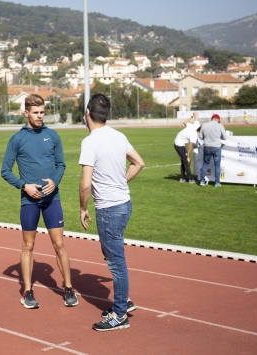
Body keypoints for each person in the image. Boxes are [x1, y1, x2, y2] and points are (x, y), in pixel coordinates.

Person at [1, 94, 78, 309]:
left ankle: (69, 288)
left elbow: (61, 165)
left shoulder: (53, 136)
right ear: (26, 113)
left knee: (59, 244)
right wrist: (23, 185)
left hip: (53, 200)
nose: (39, 116)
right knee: (28, 246)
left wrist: (54, 181)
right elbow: (5, 171)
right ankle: (27, 292)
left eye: (42, 112)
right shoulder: (17, 139)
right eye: (35, 113)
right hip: (29, 202)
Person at [79, 93, 145, 331]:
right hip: (124, 204)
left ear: (87, 114)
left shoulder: (90, 141)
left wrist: (83, 208)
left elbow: (85, 184)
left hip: (108, 208)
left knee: (116, 262)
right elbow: (139, 163)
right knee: (113, 257)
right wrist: (122, 182)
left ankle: (119, 314)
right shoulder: (119, 136)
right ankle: (122, 302)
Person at [198, 113, 227, 188]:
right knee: (217, 165)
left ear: (211, 119)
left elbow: (200, 137)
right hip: (216, 146)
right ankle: (217, 182)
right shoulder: (220, 126)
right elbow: (224, 137)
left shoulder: (204, 125)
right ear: (218, 119)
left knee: (205, 163)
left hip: (207, 146)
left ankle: (202, 180)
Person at [174, 114, 199, 183]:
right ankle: (191, 179)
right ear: (199, 132)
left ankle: (182, 178)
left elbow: (185, 122)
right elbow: (190, 146)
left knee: (184, 161)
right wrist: (188, 157)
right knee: (186, 161)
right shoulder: (194, 135)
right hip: (178, 144)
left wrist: (192, 116)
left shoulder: (196, 126)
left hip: (181, 142)